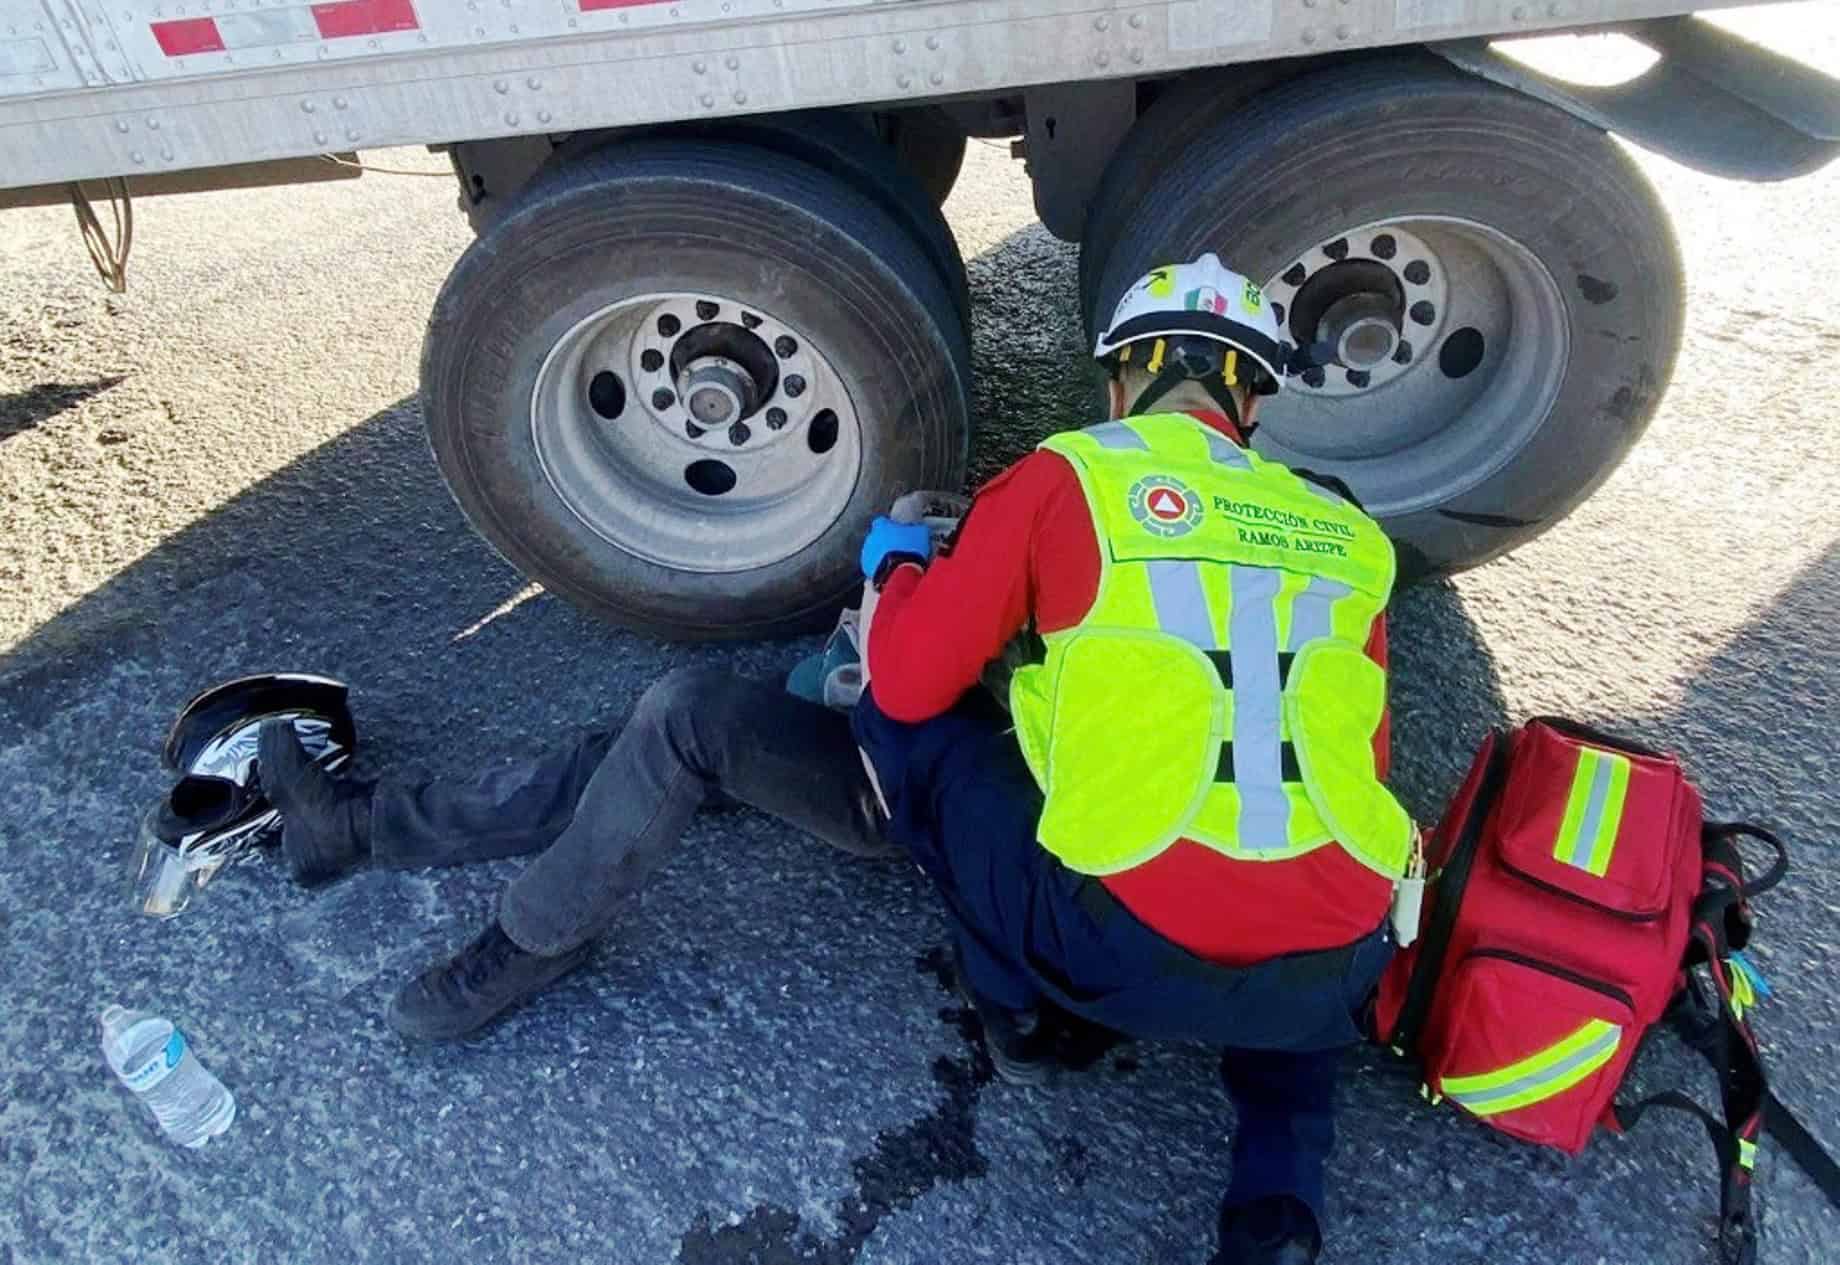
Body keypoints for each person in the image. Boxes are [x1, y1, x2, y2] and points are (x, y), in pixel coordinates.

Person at [259, 254, 1411, 1265]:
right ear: (1250, 398)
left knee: (705, 715)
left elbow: (910, 685)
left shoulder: (1078, 474)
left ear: (1121, 379)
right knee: (1293, 890)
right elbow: (1338, 762)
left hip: (1098, 940)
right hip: (1332, 966)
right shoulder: (1348, 532)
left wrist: (906, 565)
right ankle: (1275, 1211)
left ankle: (511, 931)